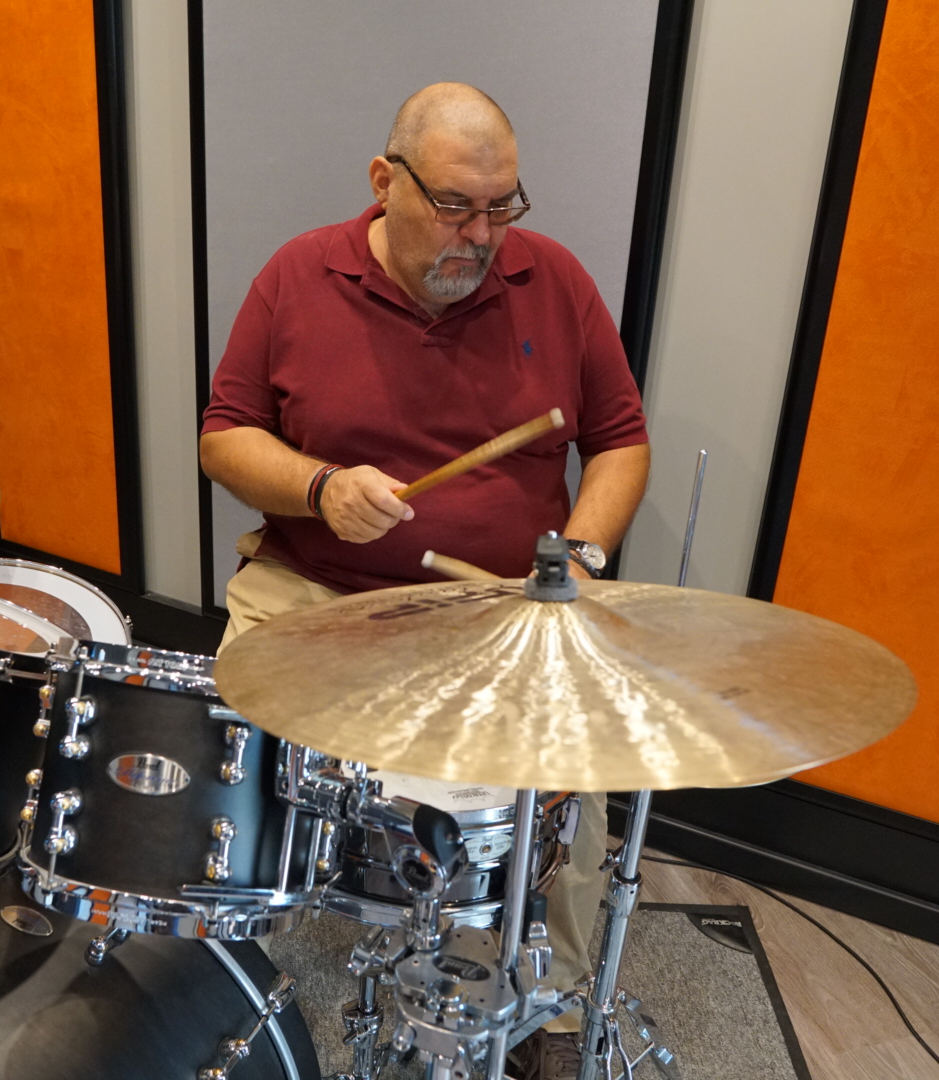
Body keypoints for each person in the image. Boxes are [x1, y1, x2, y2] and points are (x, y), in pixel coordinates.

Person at [200, 82, 650, 1079]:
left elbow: (620, 439)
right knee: (223, 741)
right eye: (453, 206)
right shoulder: (297, 274)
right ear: (383, 181)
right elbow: (224, 437)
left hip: (495, 606)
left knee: (569, 786)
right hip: (316, 585)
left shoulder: (553, 280)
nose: (480, 235)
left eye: (500, 207)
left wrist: (577, 559)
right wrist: (317, 488)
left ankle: (557, 1009)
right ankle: (210, 965)